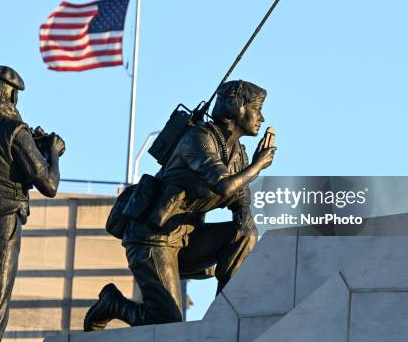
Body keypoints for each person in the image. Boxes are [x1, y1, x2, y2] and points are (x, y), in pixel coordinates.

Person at [84, 80, 276, 330]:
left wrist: (243, 220)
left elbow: (240, 200)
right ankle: (113, 304)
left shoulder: (239, 154)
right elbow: (223, 185)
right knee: (167, 321)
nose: (261, 117)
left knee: (246, 233)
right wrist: (258, 167)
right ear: (237, 107)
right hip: (153, 238)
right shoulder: (198, 138)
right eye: (257, 108)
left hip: (187, 237)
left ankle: (226, 314)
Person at [0, 65, 65, 341]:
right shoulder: (15, 131)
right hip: (2, 226)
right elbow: (49, 185)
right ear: (14, 98)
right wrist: (53, 152)